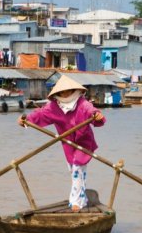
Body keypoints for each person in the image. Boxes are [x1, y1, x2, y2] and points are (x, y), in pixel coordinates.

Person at [17, 74, 106, 212]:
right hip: (67, 142)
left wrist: (97, 115)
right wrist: (26, 120)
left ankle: (76, 202)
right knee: (74, 170)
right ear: (57, 93)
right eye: (61, 92)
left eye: (67, 91)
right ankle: (82, 198)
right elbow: (39, 114)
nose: (64, 94)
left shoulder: (82, 104)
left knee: (78, 168)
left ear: (72, 91)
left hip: (84, 141)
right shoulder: (53, 107)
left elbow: (92, 112)